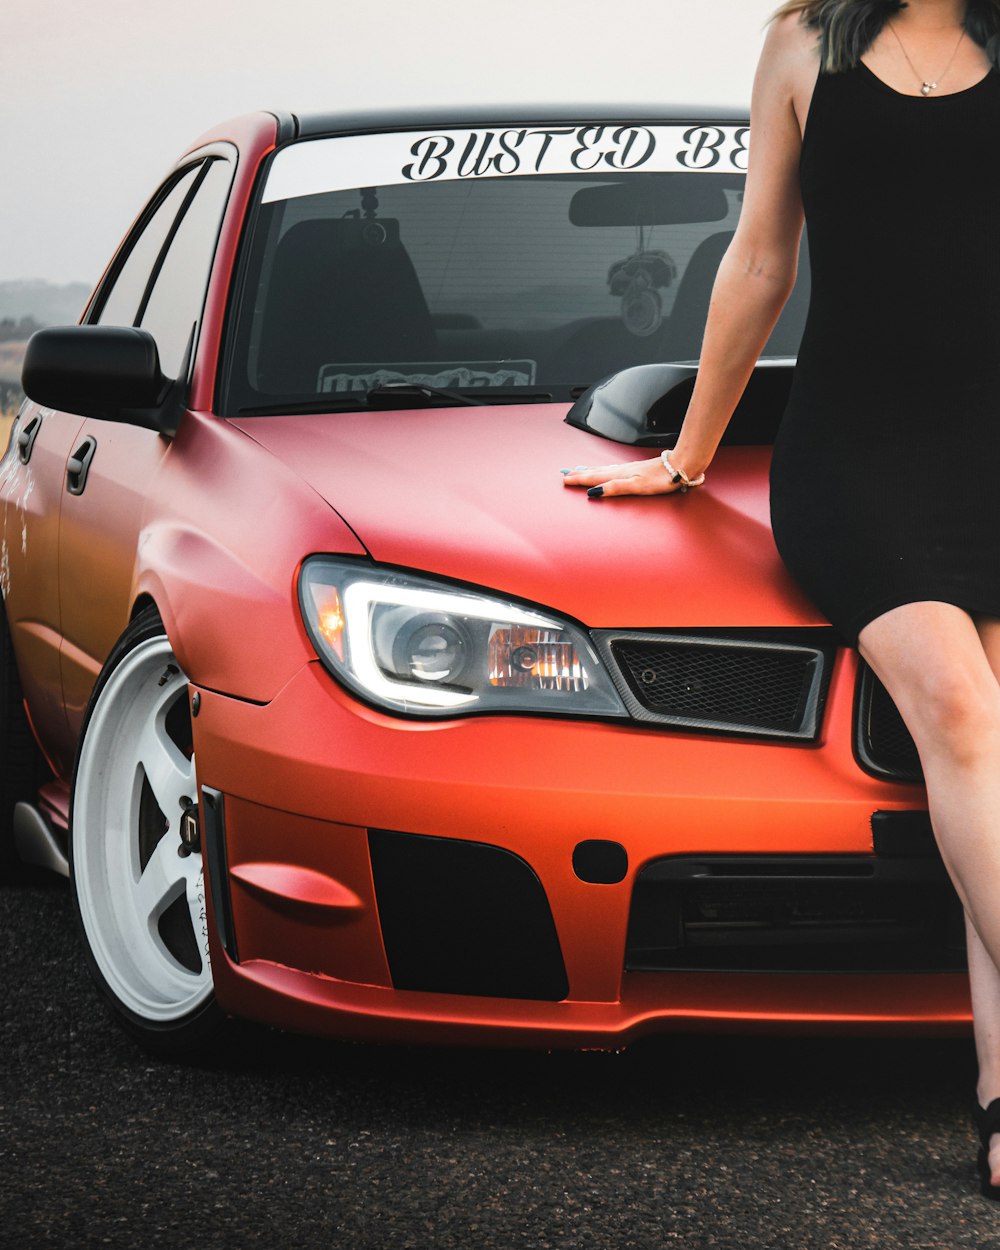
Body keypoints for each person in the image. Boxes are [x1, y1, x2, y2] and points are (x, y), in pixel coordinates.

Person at [562, 0, 1000, 1200]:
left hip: (993, 446)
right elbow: (761, 256)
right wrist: (690, 454)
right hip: (855, 457)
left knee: (993, 764)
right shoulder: (804, 45)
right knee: (960, 714)